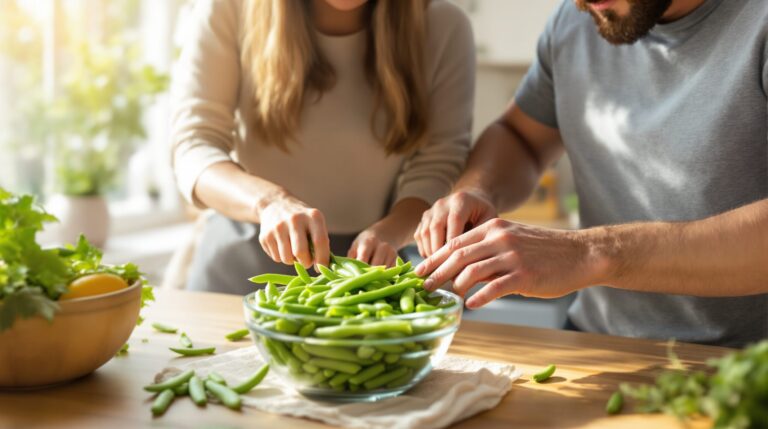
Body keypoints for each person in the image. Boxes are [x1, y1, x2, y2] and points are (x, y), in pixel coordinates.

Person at [414, 0, 768, 347]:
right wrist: (479, 189)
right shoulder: (574, 20)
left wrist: (589, 252)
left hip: (741, 362)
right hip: (596, 342)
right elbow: (519, 137)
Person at [170, 0, 474, 294]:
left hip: (367, 272)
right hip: (234, 271)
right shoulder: (227, 8)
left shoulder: (443, 25)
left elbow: (440, 159)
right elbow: (195, 145)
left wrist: (392, 232)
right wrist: (269, 203)